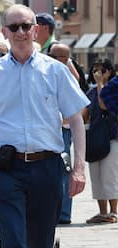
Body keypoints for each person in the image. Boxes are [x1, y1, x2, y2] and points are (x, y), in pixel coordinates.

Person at [0, 4, 89, 248]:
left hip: (47, 167)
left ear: (36, 30)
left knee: (39, 247)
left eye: (26, 26)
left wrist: (79, 168)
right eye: (14, 27)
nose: (21, 32)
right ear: (4, 32)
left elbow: (76, 120)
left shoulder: (55, 71)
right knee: (13, 243)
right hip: (7, 167)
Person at [49, 43, 80, 225]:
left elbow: (76, 109)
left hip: (63, 132)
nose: (51, 60)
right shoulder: (49, 73)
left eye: (55, 57)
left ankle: (64, 214)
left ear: (65, 59)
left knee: (64, 171)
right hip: (50, 130)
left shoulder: (68, 78)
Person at [84, 59, 118, 224]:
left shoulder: (113, 89)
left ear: (109, 72)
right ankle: (102, 212)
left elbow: (104, 106)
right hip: (95, 138)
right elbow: (84, 114)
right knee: (96, 176)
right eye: (95, 70)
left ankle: (114, 211)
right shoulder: (90, 92)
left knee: (109, 176)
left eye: (101, 70)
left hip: (112, 137)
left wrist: (100, 85)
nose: (97, 73)